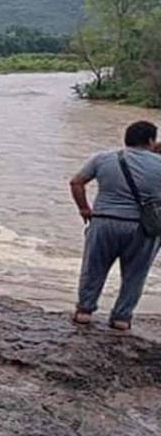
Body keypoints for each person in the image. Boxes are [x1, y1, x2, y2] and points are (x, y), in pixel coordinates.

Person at [69, 120, 161, 331]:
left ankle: (84, 311)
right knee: (135, 274)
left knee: (94, 269)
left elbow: (76, 182)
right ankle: (121, 318)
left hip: (104, 222)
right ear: (150, 140)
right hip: (143, 228)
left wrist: (84, 209)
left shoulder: (104, 158)